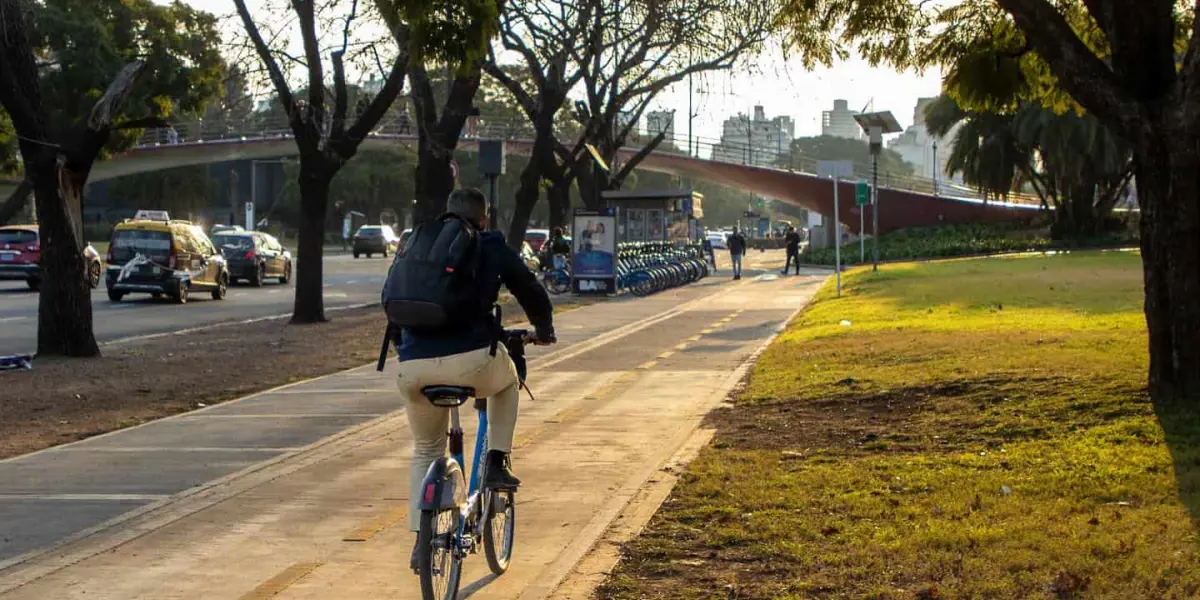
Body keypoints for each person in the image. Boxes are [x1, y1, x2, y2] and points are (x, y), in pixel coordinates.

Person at [393, 189, 556, 569]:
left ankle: (422, 540)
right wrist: (544, 328)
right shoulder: (489, 243)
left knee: (426, 449)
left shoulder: (418, 242)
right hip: (471, 361)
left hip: (412, 367)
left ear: (447, 213)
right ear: (483, 218)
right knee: (507, 381)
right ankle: (498, 460)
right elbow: (528, 287)